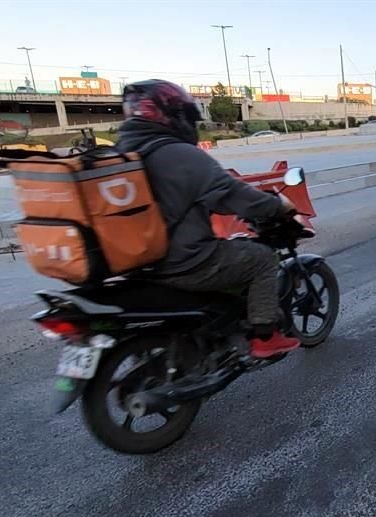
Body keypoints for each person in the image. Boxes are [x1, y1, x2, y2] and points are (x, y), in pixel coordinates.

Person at [117, 79, 302, 358]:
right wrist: (277, 206)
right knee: (262, 258)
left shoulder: (119, 153)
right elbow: (232, 194)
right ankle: (266, 336)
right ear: (172, 116)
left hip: (138, 263)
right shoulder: (179, 154)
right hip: (186, 262)